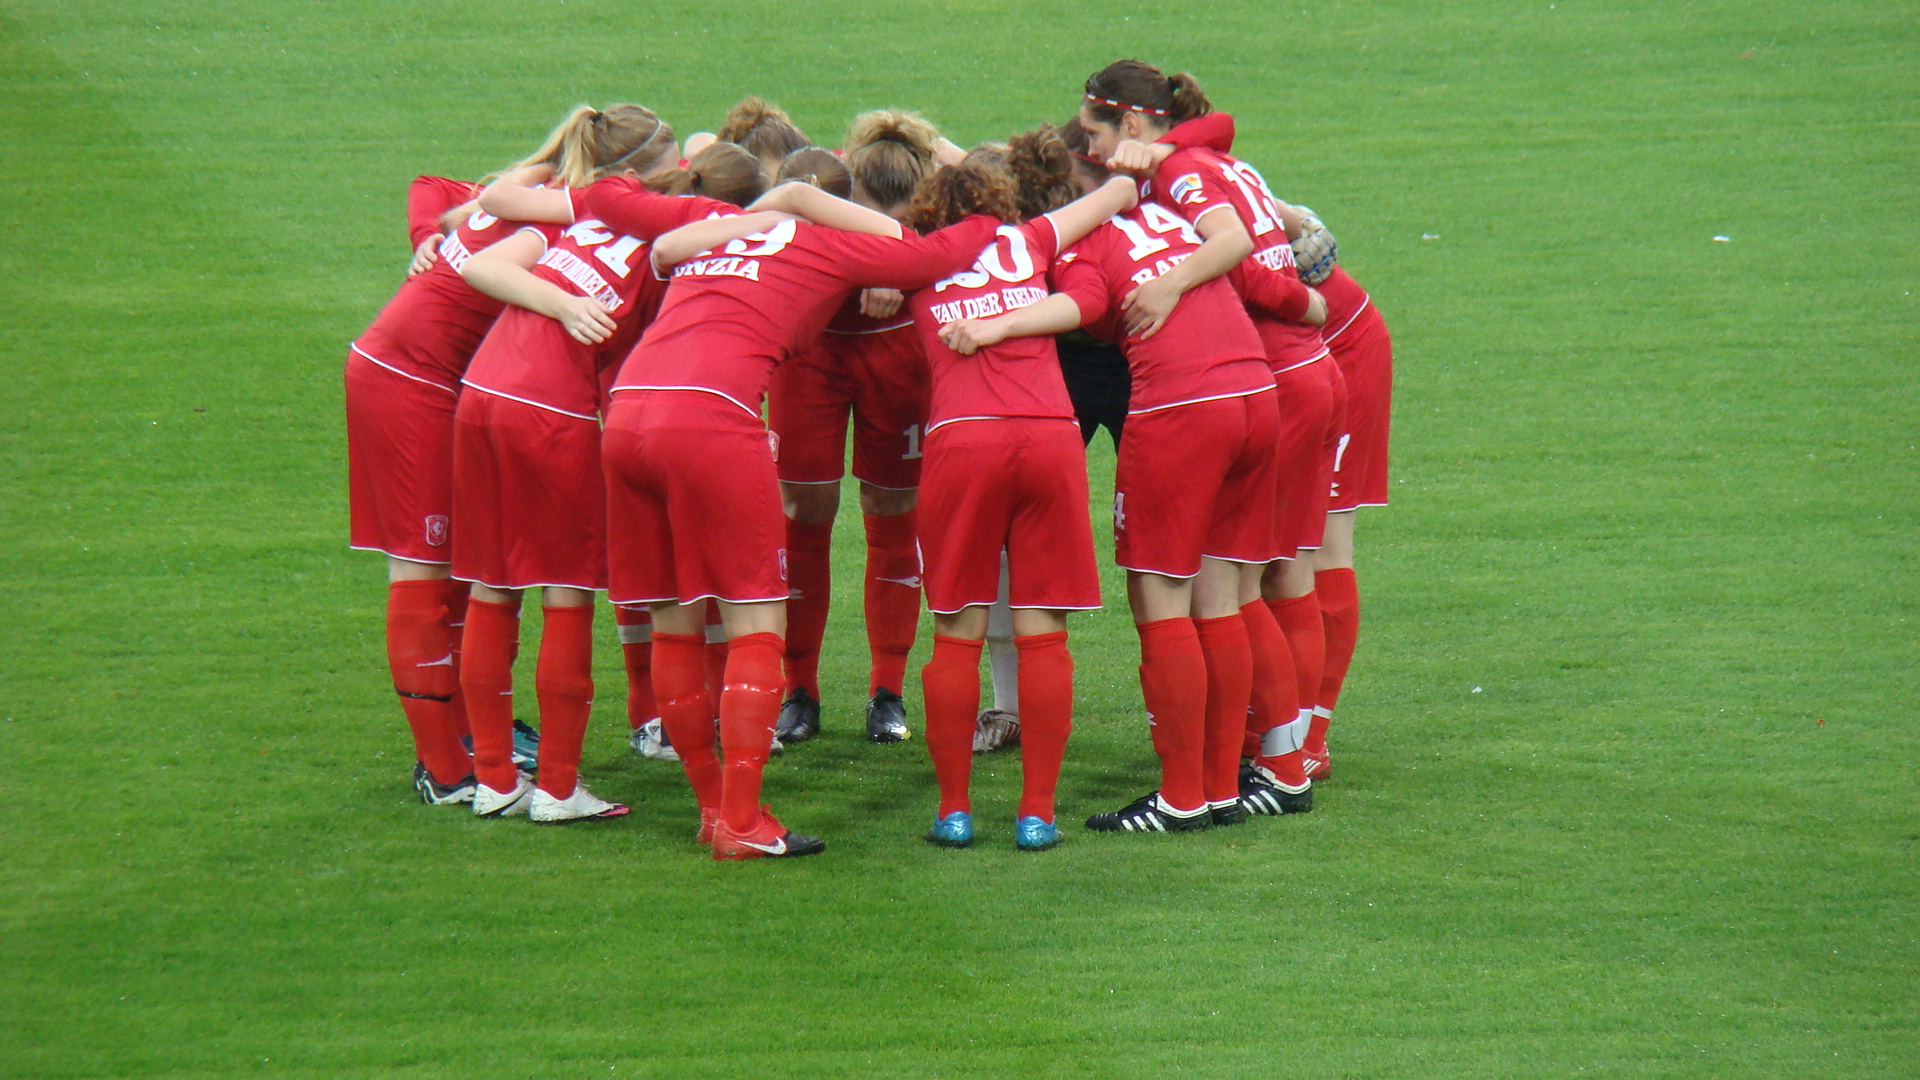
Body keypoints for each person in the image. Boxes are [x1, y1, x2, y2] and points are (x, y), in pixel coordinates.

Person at [594, 177, 1001, 859]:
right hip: (710, 418)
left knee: (673, 619)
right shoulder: (823, 245)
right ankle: (744, 821)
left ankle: (710, 811)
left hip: (629, 411)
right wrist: (997, 211)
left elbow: (642, 226)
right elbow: (932, 254)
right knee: (756, 619)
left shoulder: (713, 237)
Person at [938, 121, 1292, 833]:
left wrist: (998, 324)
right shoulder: (1159, 206)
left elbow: (1091, 305)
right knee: (1219, 598)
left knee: (1161, 601)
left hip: (1182, 406)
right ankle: (1226, 787)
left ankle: (1182, 798)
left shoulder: (1073, 242)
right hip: (1257, 393)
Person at [450, 140, 781, 823]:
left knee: (491, 583)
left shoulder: (596, 217)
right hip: (551, 408)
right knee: (565, 592)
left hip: (480, 392)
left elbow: (480, 261)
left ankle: (491, 777)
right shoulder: (681, 254)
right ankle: (560, 788)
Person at [344, 104, 655, 806]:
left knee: (470, 569)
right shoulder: (558, 216)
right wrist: (554, 300)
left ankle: (472, 741)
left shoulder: (528, 187)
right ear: (626, 177)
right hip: (410, 381)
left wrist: (434, 231)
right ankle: (445, 769)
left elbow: (435, 188)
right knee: (426, 570)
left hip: (445, 382)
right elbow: (441, 202)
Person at [1077, 60, 1335, 815]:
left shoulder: (1180, 174)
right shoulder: (1205, 153)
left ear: (1129, 124)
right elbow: (1216, 132)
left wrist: (1300, 302)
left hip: (1261, 371)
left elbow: (1242, 266)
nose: (1094, 152)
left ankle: (1251, 771)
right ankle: (1275, 768)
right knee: (1249, 587)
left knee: (1246, 590)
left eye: (1095, 132)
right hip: (1283, 376)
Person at [881, 132, 1140, 850]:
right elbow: (1117, 193)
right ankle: (1037, 814)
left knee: (957, 628)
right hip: (1049, 436)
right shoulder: (1031, 242)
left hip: (964, 441)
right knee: (1044, 632)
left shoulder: (916, 257)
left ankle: (955, 811)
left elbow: (843, 228)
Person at [767, 111, 955, 746]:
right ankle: (799, 690)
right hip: (812, 358)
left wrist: (905, 272)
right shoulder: (819, 188)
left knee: (892, 506)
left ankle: (887, 690)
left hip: (896, 359)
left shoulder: (935, 212)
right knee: (804, 507)